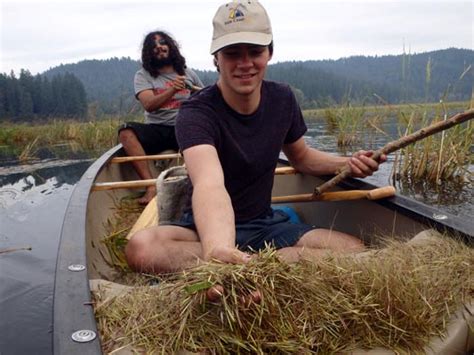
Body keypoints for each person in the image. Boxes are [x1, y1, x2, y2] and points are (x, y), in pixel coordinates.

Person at [125, 1, 386, 274]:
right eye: (233, 53)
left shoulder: (283, 99)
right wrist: (217, 250)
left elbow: (303, 159)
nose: (245, 63)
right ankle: (257, 263)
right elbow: (209, 184)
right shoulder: (195, 112)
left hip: (263, 225)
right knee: (142, 248)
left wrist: (348, 164)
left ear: (269, 53)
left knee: (354, 249)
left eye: (255, 52)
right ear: (216, 58)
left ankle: (249, 265)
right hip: (203, 230)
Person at [118, 30, 204, 204]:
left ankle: (199, 185)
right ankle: (150, 186)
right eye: (153, 45)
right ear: (148, 52)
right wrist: (173, 89)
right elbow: (149, 104)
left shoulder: (188, 73)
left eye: (162, 42)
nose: (159, 47)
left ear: (170, 46)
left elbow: (204, 99)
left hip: (184, 127)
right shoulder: (143, 76)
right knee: (126, 132)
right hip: (158, 128)